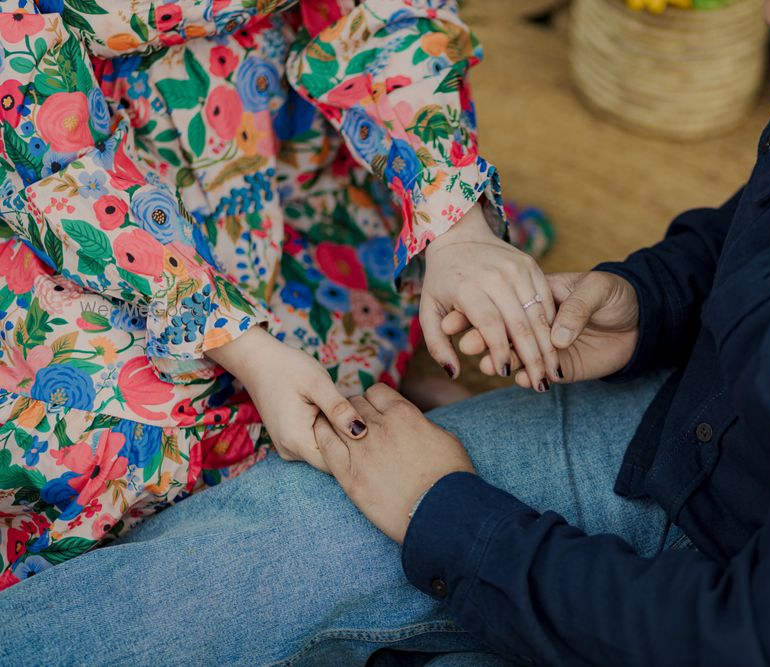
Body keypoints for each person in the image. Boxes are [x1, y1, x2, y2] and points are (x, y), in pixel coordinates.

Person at [3, 0, 770, 665]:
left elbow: (741, 642)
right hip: (684, 428)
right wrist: (648, 297)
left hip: (744, 626)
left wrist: (445, 509)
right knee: (233, 552)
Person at [0, 0, 560, 586]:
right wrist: (246, 349)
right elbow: (54, 159)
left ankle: (378, 371)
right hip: (86, 223)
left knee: (355, 307)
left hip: (279, 164)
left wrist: (454, 221)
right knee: (106, 442)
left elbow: (384, 16)